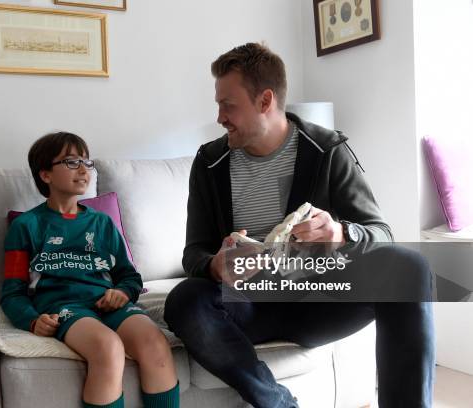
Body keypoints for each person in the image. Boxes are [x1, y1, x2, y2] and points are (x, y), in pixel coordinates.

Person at [164, 43, 435, 408]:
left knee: (409, 267)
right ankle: (277, 402)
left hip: (318, 296)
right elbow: (193, 251)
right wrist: (215, 264)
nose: (219, 117)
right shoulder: (210, 163)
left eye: (228, 105)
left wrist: (339, 233)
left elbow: (380, 233)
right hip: (247, 304)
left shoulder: (327, 150)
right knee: (185, 299)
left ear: (265, 101)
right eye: (219, 105)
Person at [1, 132, 179, 408]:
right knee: (108, 348)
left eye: (87, 162)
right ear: (45, 174)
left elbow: (129, 276)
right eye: (71, 162)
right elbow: (12, 292)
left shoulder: (103, 224)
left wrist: (122, 292)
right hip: (65, 307)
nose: (84, 170)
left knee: (155, 342)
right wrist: (32, 320)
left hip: (108, 303)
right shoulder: (26, 226)